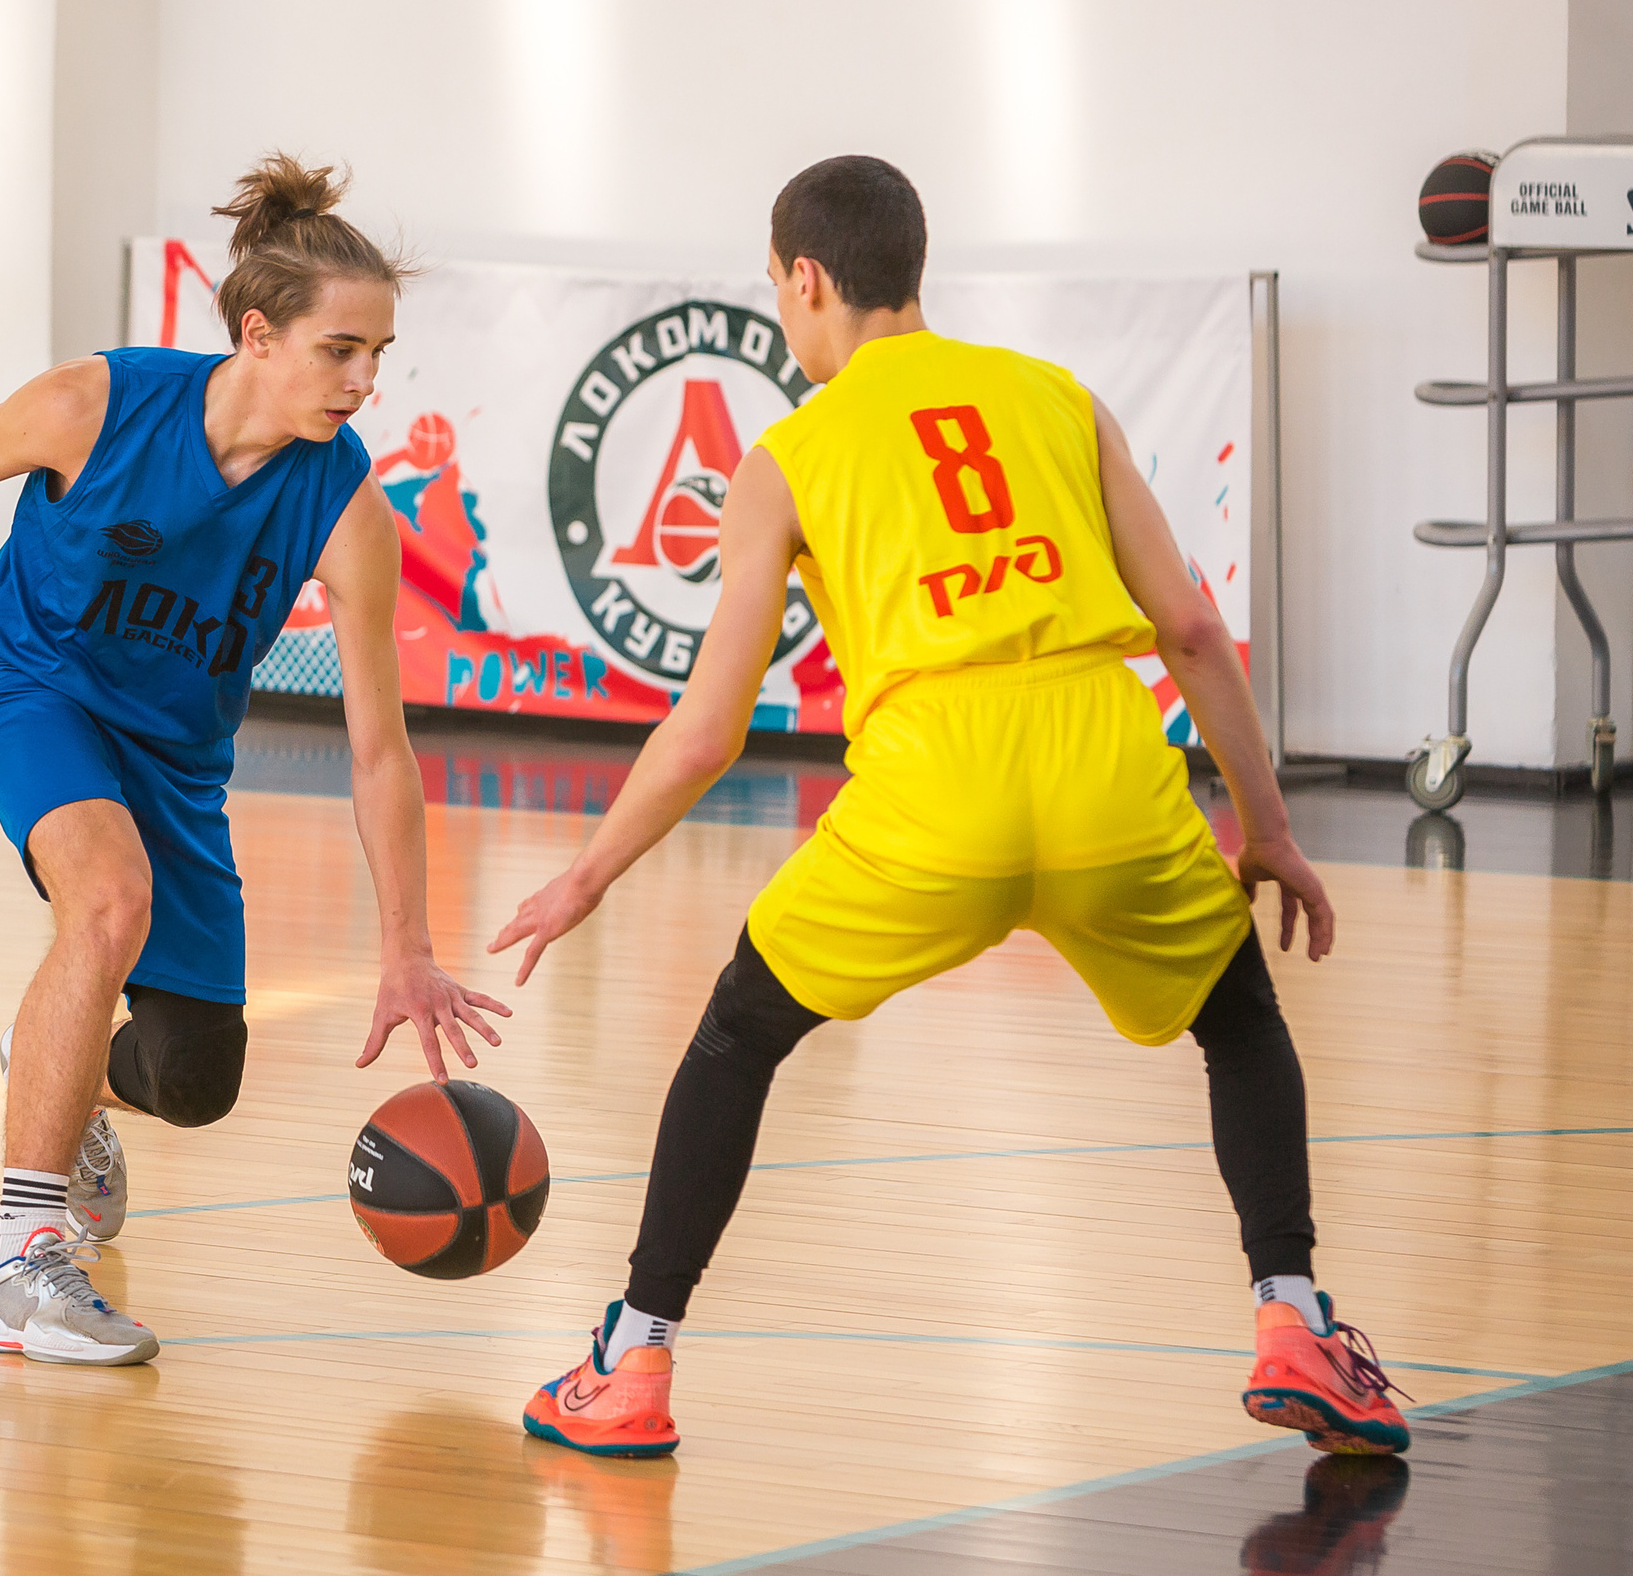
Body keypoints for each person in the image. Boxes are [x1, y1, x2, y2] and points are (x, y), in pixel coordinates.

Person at [495, 156, 1410, 1461]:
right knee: (1240, 1020)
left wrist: (588, 873)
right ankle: (1294, 1316)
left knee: (740, 1034)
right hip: (1103, 762)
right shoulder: (1058, 398)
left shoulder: (788, 456)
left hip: (933, 790)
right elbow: (1193, 628)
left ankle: (633, 1360)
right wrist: (1267, 830)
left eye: (778, 286)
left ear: (806, 279)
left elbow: (707, 730)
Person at [0, 154, 508, 1365]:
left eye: (378, 355)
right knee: (108, 898)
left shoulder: (345, 506)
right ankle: (18, 1271)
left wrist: (408, 948)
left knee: (194, 1078)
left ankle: (54, 1063)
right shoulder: (96, 403)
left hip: (176, 759)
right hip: (32, 690)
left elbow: (379, 753)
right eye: (341, 350)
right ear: (257, 335)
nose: (364, 381)